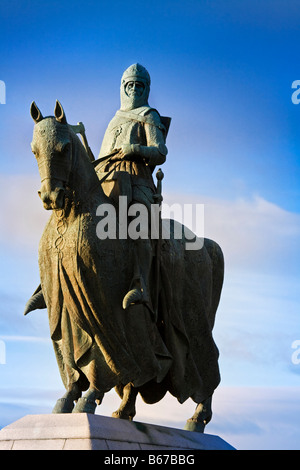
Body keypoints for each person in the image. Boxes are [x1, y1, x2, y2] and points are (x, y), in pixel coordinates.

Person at [97, 63, 170, 311]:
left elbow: (160, 152)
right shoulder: (114, 120)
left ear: (146, 88)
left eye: (139, 85)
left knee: (137, 218)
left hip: (138, 178)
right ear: (123, 87)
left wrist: (135, 150)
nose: (134, 89)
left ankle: (140, 284)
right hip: (108, 178)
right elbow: (101, 156)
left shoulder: (149, 115)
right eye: (130, 85)